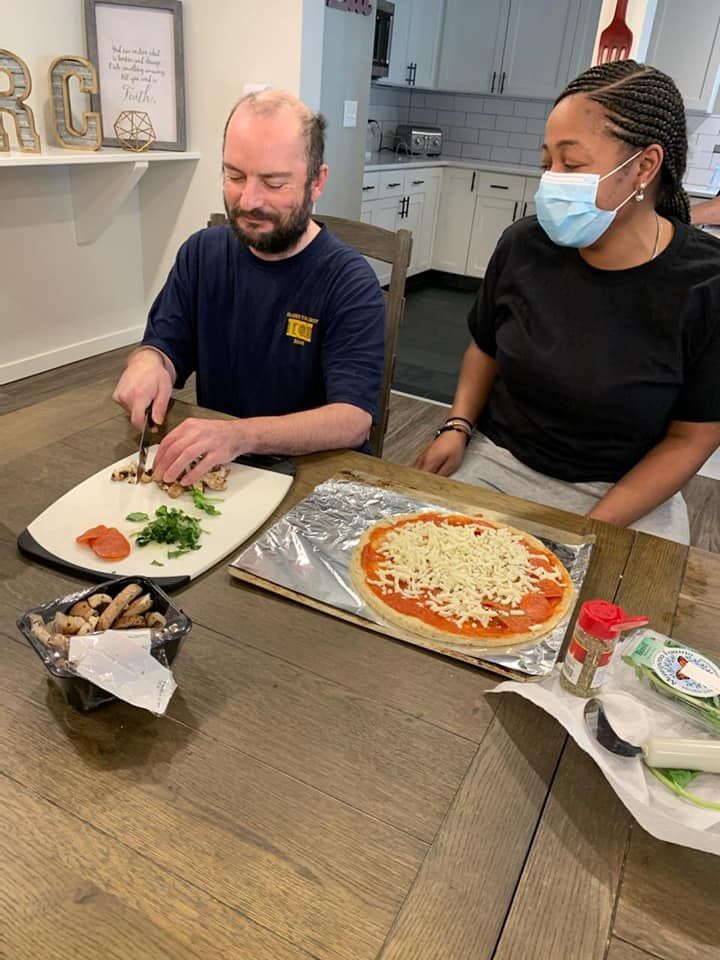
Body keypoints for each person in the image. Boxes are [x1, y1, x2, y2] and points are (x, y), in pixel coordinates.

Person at [415, 60, 720, 543]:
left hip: (627, 493)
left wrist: (583, 530)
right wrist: (457, 425)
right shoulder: (522, 246)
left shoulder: (706, 284)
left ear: (645, 166)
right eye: (546, 163)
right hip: (500, 463)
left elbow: (694, 436)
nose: (552, 180)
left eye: (572, 165)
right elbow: (485, 349)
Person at [112, 90, 385, 487]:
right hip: (219, 473)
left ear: (317, 182)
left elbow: (352, 420)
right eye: (235, 176)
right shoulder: (201, 255)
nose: (249, 200)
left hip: (312, 478)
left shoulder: (349, 281)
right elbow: (164, 347)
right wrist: (148, 364)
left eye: (274, 183)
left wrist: (241, 436)